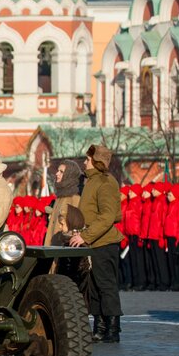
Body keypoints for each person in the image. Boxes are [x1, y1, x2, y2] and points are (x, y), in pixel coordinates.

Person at [68, 144, 123, 343]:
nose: (84, 162)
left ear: (96, 161)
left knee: (106, 285)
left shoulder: (106, 182)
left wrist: (86, 236)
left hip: (104, 242)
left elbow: (108, 215)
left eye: (87, 159)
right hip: (93, 242)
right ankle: (100, 327)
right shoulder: (91, 181)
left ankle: (113, 329)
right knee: (94, 286)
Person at [44, 160, 82, 246]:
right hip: (52, 246)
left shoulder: (74, 198)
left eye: (61, 172)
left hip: (62, 249)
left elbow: (73, 229)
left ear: (69, 175)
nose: (57, 174)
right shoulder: (60, 197)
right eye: (58, 170)